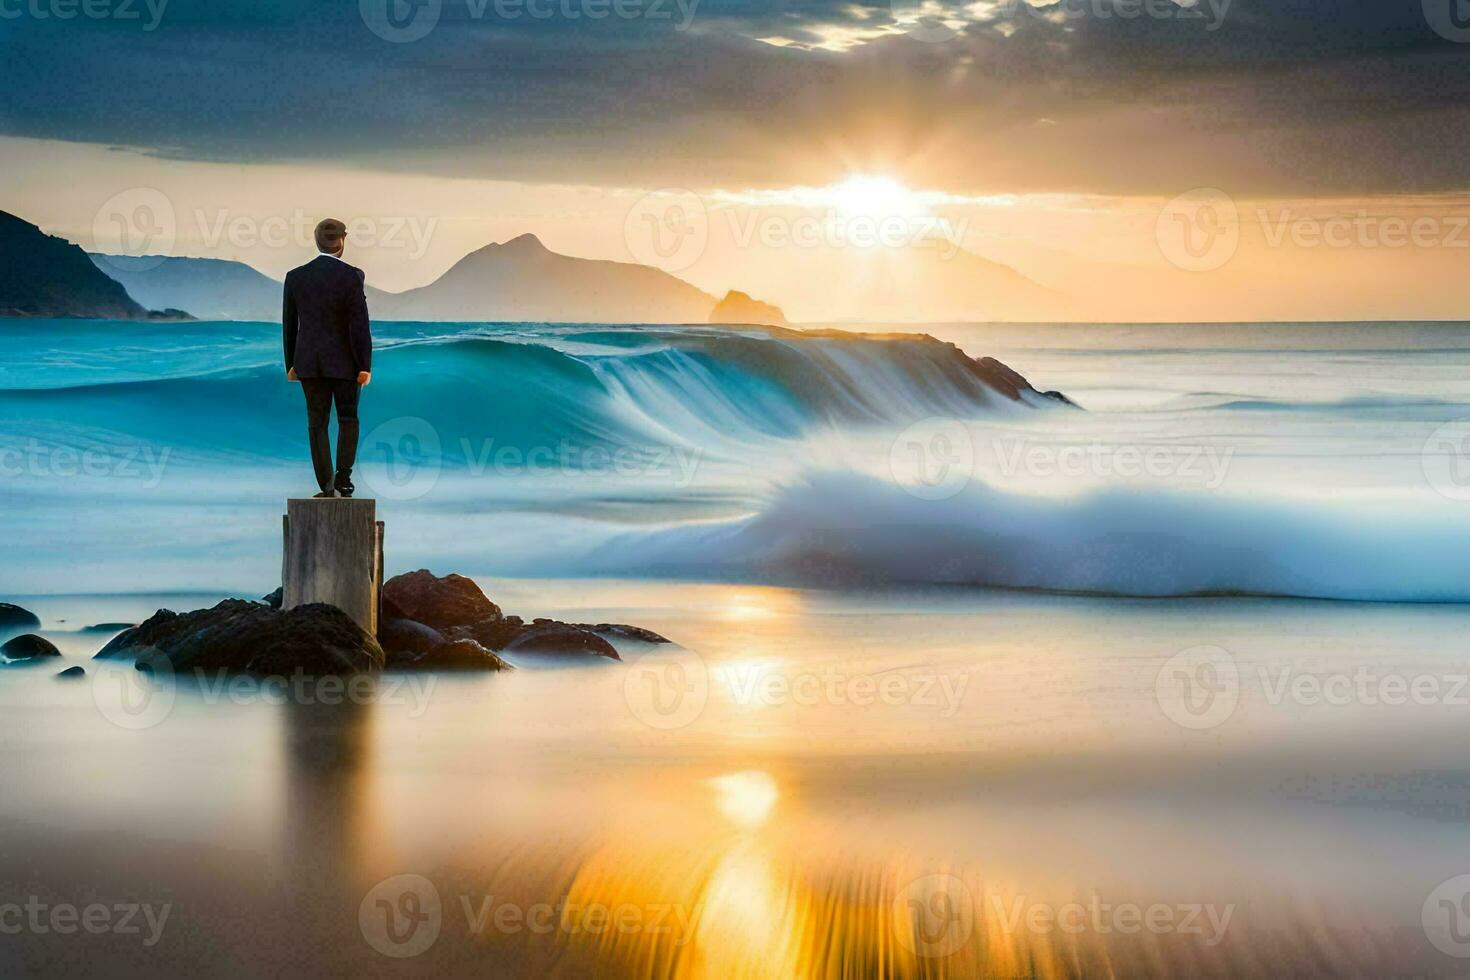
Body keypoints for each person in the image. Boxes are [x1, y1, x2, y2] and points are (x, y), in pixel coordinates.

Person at [283, 218, 373, 498]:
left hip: (309, 362)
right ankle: (344, 481)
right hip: (346, 363)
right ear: (342, 241)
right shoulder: (352, 276)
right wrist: (364, 365)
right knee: (348, 419)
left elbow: (290, 324)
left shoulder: (296, 276)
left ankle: (326, 486)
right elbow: (360, 324)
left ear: (315, 239)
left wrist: (291, 363)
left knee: (317, 423)